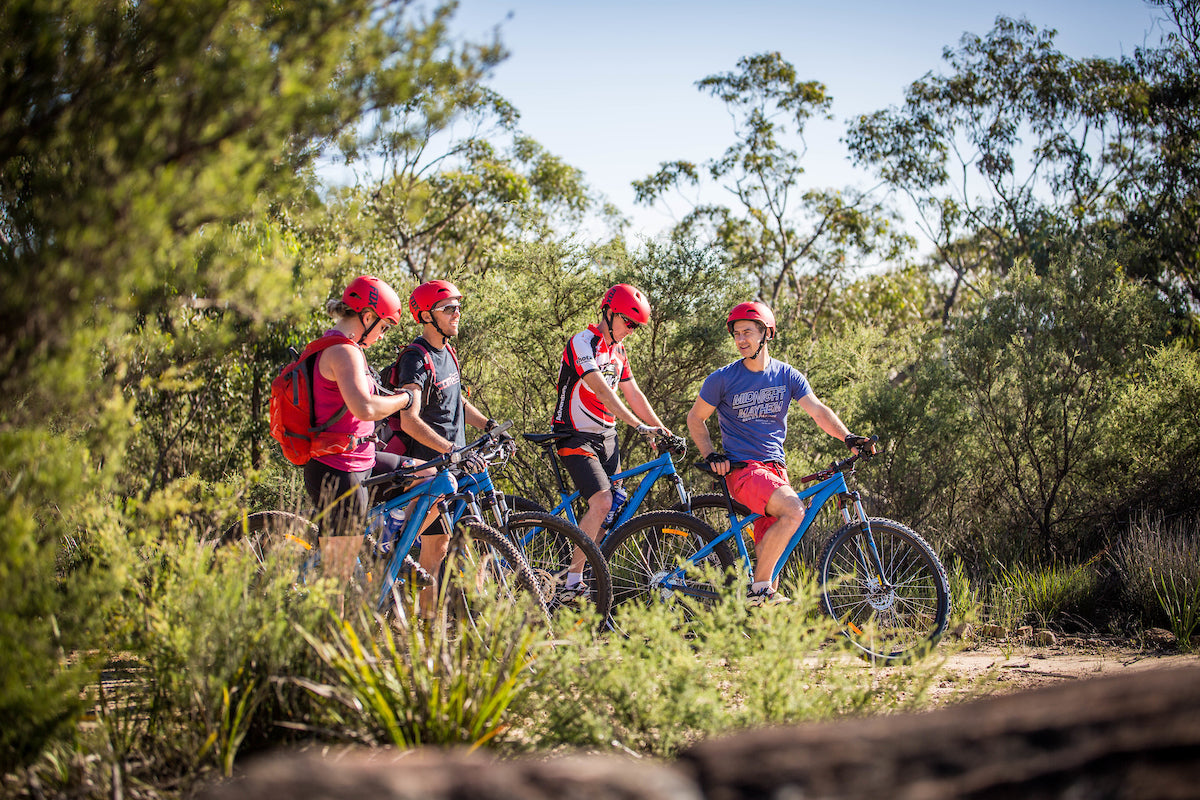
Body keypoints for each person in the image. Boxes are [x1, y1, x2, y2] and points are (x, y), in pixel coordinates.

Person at [685, 301, 875, 606]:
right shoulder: (722, 378)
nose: (741, 339)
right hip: (744, 470)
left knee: (771, 555)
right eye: (736, 334)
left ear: (766, 333)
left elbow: (817, 411)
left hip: (775, 470)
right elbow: (695, 419)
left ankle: (758, 631)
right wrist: (711, 454)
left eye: (747, 331)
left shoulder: (787, 375)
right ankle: (757, 592)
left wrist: (848, 437)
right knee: (794, 510)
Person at [552, 283, 672, 598]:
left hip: (607, 438)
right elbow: (602, 390)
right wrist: (637, 426)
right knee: (602, 501)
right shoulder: (583, 341)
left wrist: (660, 429)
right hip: (575, 434)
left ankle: (591, 585)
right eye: (628, 323)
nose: (631, 330)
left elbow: (633, 393)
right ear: (609, 312)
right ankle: (572, 582)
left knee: (615, 508)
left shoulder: (619, 351)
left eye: (636, 326)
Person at [385, 279, 494, 614]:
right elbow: (408, 419)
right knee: (423, 549)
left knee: (440, 547)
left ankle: (426, 624)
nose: (456, 313)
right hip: (427, 468)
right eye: (448, 308)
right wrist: (449, 448)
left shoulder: (447, 351)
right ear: (426, 316)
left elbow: (455, 399)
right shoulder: (416, 359)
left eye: (458, 307)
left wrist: (488, 425)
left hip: (452, 464)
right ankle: (400, 601)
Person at [302, 275, 417, 541]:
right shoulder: (343, 351)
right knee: (338, 577)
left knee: (428, 475)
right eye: (384, 326)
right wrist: (406, 399)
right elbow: (365, 408)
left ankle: (385, 546)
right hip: (340, 469)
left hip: (364, 459)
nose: (381, 336)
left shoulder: (350, 348)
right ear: (367, 317)